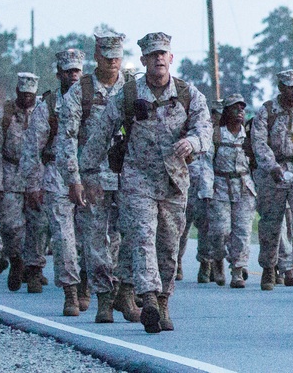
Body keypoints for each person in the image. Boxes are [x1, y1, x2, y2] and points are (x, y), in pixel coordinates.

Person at [80, 32, 211, 334]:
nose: (159, 59)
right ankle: (148, 298)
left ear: (171, 58)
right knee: (141, 237)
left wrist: (193, 141)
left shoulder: (188, 94)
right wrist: (86, 174)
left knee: (168, 243)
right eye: (152, 55)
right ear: (143, 61)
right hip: (137, 179)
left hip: (174, 182)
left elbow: (204, 127)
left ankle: (163, 301)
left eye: (163, 54)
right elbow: (100, 136)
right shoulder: (127, 95)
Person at [58, 28, 135, 323]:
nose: (112, 62)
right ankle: (103, 296)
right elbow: (68, 137)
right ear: (96, 56)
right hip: (94, 175)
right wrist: (74, 178)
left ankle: (125, 292)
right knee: (96, 239)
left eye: (117, 56)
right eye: (106, 56)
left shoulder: (131, 88)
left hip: (129, 175)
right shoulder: (81, 91)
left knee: (130, 236)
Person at [24, 49, 84, 316]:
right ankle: (70, 291)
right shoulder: (47, 106)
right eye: (68, 72)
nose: (73, 76)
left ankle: (89, 287)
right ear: (59, 74)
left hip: (87, 176)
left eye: (77, 71)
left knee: (93, 238)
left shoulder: (93, 101)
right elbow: (32, 148)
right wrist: (32, 185)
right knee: (63, 239)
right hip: (56, 175)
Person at [252, 69, 293, 293]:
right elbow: (259, 142)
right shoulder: (267, 111)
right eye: (290, 87)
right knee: (271, 223)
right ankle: (269, 268)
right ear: (281, 87)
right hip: (273, 172)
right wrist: (271, 166)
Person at [0, 72, 40, 292]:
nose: (27, 99)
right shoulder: (2, 117)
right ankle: (16, 258)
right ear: (17, 92)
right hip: (10, 173)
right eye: (24, 94)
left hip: (37, 174)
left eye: (31, 95)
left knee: (39, 224)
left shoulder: (43, 113)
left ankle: (34, 268)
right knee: (10, 225)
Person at [206, 94, 254, 289]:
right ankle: (218, 260)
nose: (240, 112)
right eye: (235, 108)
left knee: (242, 231)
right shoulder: (216, 135)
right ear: (226, 112)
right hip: (220, 186)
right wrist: (206, 189)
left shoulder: (248, 135)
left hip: (243, 186)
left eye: (242, 108)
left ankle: (237, 271)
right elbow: (206, 164)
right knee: (220, 231)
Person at [179, 98, 219, 284]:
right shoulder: (184, 133)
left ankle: (206, 264)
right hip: (185, 187)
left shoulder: (213, 137)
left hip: (206, 188)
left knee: (207, 229)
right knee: (180, 228)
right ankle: (176, 262)